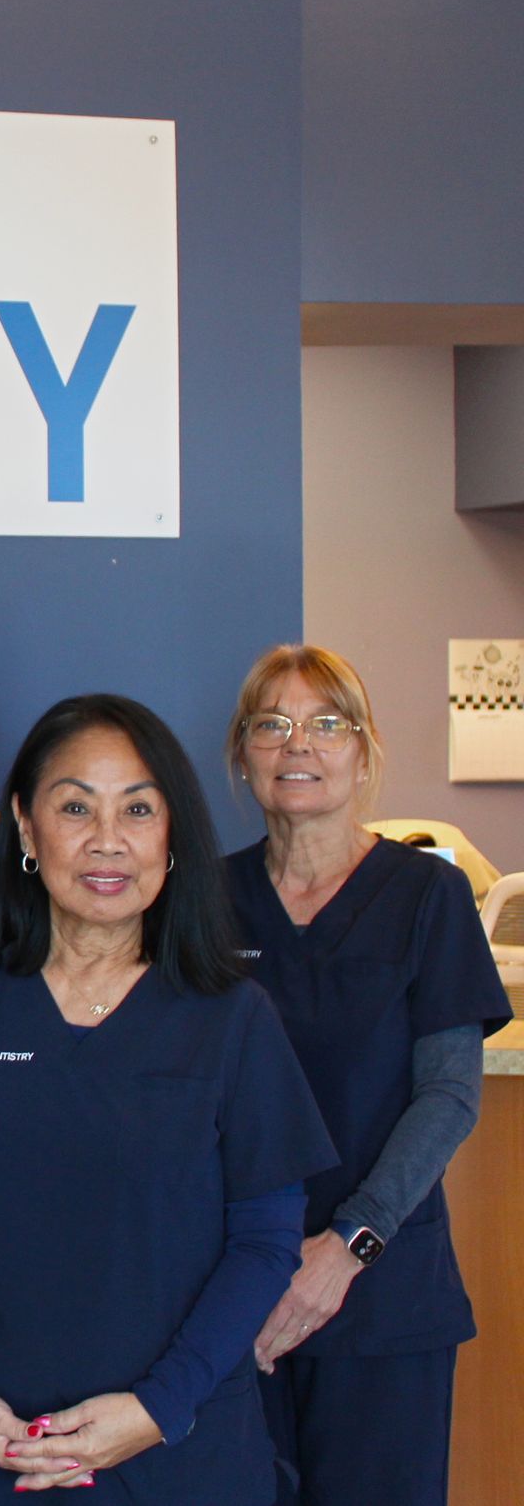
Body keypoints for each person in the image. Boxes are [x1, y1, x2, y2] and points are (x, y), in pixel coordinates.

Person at [0, 694, 337, 1503]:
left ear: (171, 837)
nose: (107, 839)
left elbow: (266, 1239)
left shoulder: (231, 1017)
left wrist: (159, 1407)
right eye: (76, 806)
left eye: (138, 809)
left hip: (180, 1453)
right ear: (26, 827)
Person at [222, 645, 512, 1506]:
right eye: (271, 724)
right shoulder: (203, 899)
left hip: (383, 1296)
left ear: (364, 748)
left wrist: (345, 1249)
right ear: (243, 752)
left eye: (325, 724)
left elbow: (450, 1095)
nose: (297, 745)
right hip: (235, 1297)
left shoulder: (428, 896)